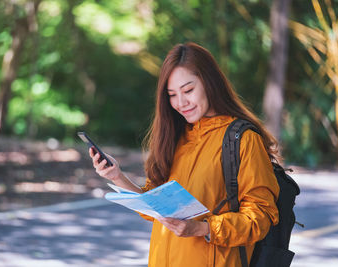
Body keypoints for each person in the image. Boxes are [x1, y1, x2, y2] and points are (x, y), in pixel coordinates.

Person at [88, 42, 279, 267]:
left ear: (210, 83)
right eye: (172, 95)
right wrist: (116, 176)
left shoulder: (242, 139)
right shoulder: (175, 138)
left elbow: (261, 217)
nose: (181, 103)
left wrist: (203, 228)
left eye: (188, 90)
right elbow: (155, 210)